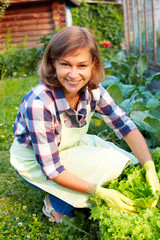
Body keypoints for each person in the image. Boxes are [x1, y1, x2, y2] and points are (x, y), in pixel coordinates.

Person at [10, 26, 159, 223]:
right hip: (35, 162)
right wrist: (101, 193)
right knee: (103, 168)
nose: (73, 75)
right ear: (53, 63)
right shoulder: (39, 103)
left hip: (67, 146)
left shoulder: (92, 90)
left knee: (123, 159)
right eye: (66, 64)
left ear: (93, 64)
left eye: (81, 65)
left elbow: (125, 126)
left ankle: (70, 194)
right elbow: (52, 169)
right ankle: (56, 204)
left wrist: (149, 166)